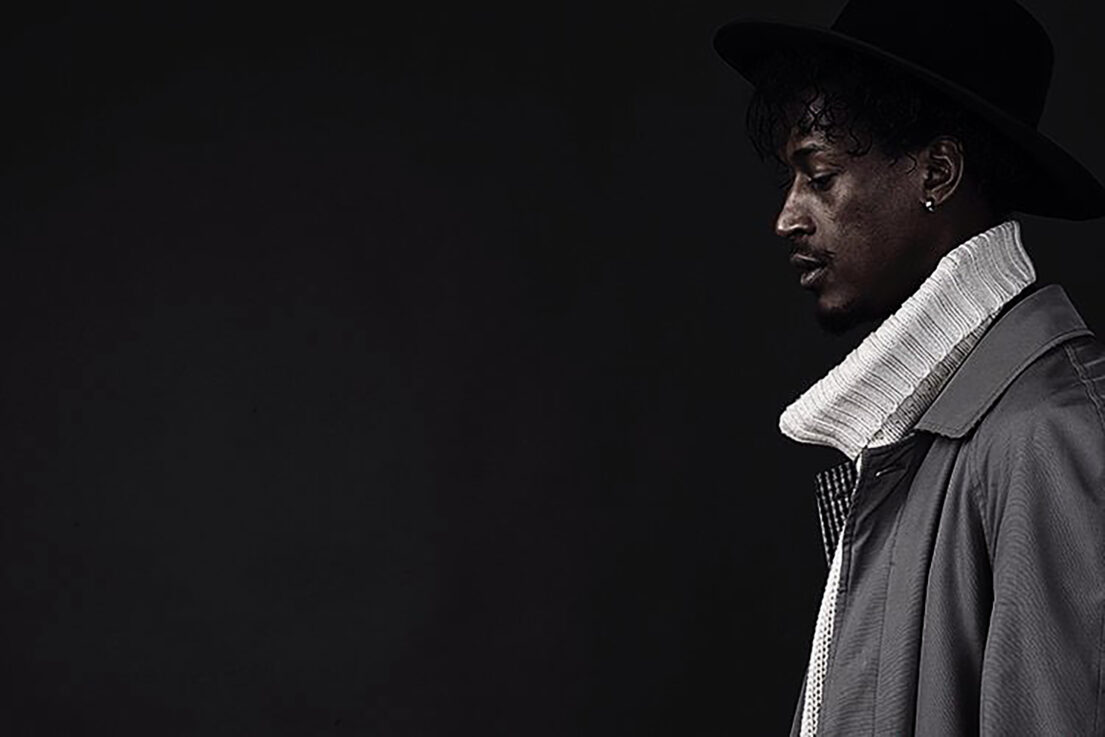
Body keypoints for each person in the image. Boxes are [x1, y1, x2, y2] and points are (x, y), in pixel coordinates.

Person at [713, 0, 1105, 734]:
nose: (787, 217)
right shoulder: (911, 440)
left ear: (937, 171)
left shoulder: (1054, 432)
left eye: (819, 175)